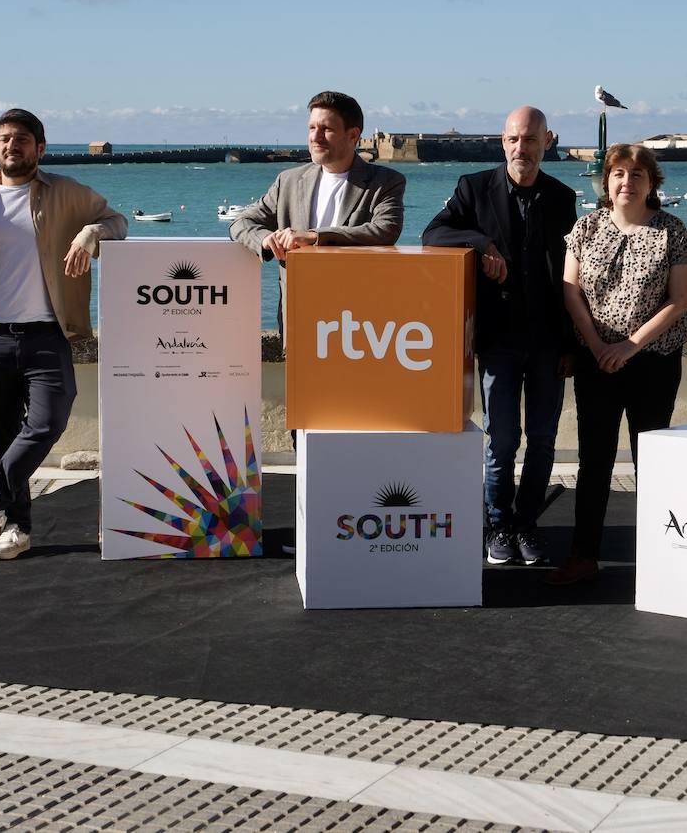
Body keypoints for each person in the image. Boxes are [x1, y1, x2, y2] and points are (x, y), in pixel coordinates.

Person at [0, 108, 127, 560]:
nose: (11, 146)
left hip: (47, 335)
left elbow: (118, 222)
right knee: (1, 438)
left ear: (40, 148)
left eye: (21, 139)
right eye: (3, 139)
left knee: (49, 420)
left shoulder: (67, 193)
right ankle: (16, 530)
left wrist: (89, 235)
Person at [422, 107, 577, 566]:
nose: (520, 148)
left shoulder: (563, 197)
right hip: (499, 341)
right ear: (502, 142)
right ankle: (498, 525)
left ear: (547, 141)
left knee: (544, 440)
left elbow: (571, 277)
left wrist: (571, 344)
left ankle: (527, 524)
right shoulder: (474, 187)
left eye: (530, 140)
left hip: (550, 341)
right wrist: (482, 244)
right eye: (513, 140)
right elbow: (433, 233)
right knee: (503, 440)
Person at [552, 144, 687, 585]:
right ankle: (583, 555)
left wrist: (629, 347)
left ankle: (661, 557)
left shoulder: (672, 232)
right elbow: (570, 291)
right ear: (606, 181)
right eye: (618, 173)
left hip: (652, 362)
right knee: (593, 460)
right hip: (596, 359)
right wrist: (598, 346)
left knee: (650, 459)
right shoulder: (586, 228)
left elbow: (679, 301)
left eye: (637, 174)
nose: (626, 182)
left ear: (652, 182)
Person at [229, 91, 405, 330]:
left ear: (353, 135)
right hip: (298, 315)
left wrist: (315, 236)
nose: (315, 137)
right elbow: (242, 222)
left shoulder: (386, 181)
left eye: (326, 129)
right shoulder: (288, 181)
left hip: (358, 321)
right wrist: (266, 240)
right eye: (311, 128)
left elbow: (386, 230)